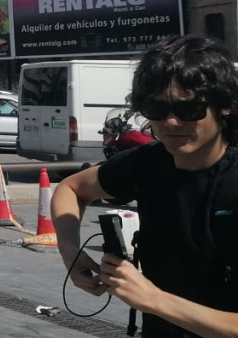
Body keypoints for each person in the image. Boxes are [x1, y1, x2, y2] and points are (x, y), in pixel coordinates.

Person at [52, 35, 238, 338]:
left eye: (188, 109)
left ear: (225, 107)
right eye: (156, 109)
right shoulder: (147, 163)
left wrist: (154, 300)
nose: (171, 122)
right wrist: (70, 252)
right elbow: (71, 189)